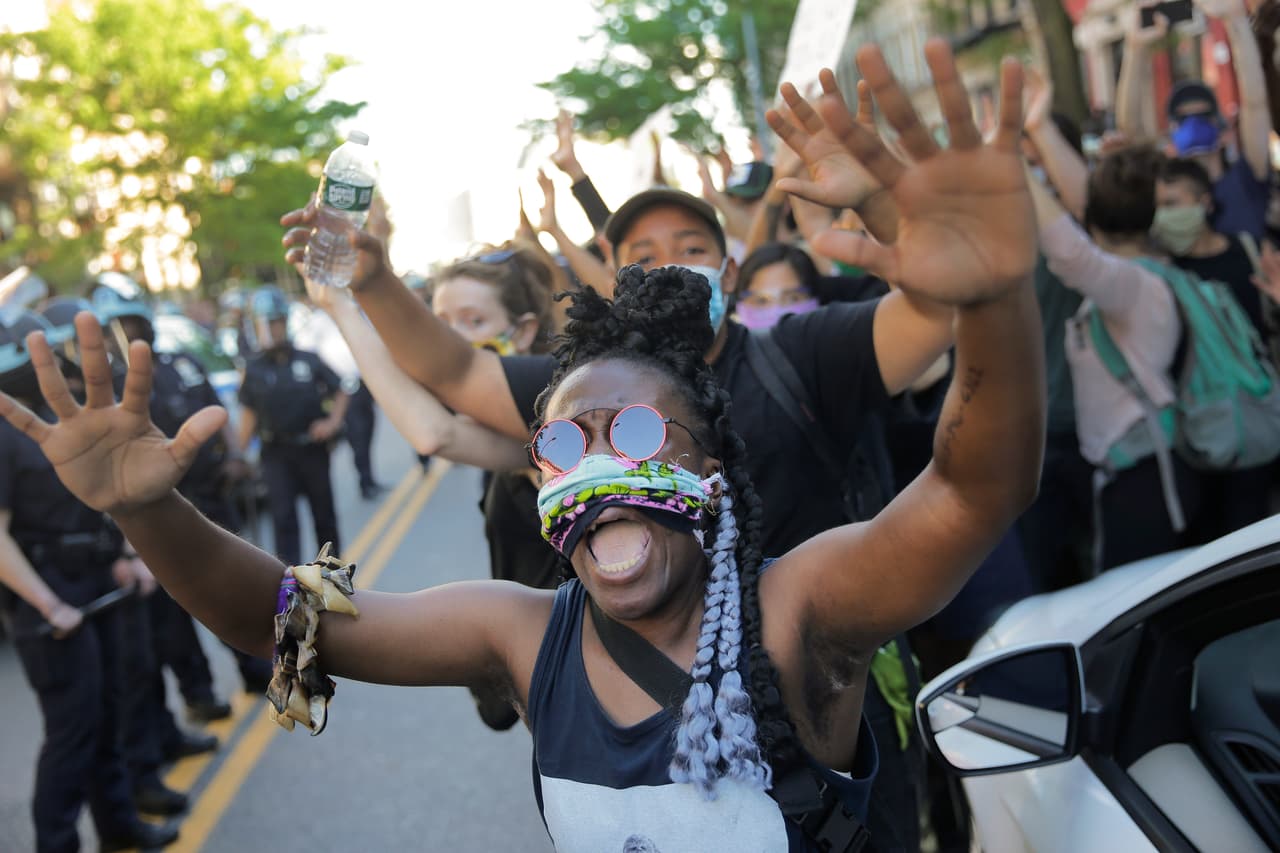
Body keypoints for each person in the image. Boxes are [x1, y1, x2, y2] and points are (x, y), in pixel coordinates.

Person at [1, 40, 1044, 851]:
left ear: (708, 473)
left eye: (632, 433)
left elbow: (969, 488)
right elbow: (279, 620)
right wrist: (147, 509)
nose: (596, 465)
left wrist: (993, 298)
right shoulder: (519, 632)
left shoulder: (802, 608)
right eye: (561, 444)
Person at [0, 311, 179, 853]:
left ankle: (118, 826)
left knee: (106, 720)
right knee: (72, 736)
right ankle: (56, 843)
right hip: (51, 606)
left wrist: (125, 551)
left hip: (92, 587)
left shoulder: (53, 422)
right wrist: (49, 606)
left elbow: (89, 501)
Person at [90, 278, 275, 703]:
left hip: (211, 496)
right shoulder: (109, 389)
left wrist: (234, 454)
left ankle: (256, 669)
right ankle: (201, 694)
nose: (125, 336)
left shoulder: (181, 362)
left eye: (129, 324)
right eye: (114, 329)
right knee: (174, 615)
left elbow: (216, 411)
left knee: (231, 587)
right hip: (154, 514)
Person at [1028, 143, 1204, 571]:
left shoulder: (1129, 285)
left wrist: (1016, 168)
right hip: (1144, 467)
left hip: (1143, 478)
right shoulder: (1151, 271)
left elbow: (1070, 253)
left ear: (1091, 219)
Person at [1150, 157, 1278, 542]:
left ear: (1205, 203)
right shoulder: (1163, 270)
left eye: (1172, 203)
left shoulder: (1252, 253)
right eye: (1157, 206)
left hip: (1258, 427)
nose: (1162, 216)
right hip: (1195, 436)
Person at [1117, 0, 1271, 239]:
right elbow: (1131, 129)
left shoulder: (1247, 177)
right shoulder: (1163, 186)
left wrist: (1236, 21)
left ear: (1223, 130)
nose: (1193, 123)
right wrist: (1134, 50)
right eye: (1183, 118)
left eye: (1202, 115)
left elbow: (1255, 104)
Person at [237, 286, 348, 566]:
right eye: (264, 323)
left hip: (312, 449)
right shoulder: (253, 368)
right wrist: (239, 457)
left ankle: (332, 573)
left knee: (324, 515)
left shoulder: (307, 358)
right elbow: (248, 414)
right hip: (275, 453)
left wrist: (332, 422)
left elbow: (342, 389)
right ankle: (290, 582)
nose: (271, 330)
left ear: (285, 323)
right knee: (283, 518)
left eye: (275, 322)